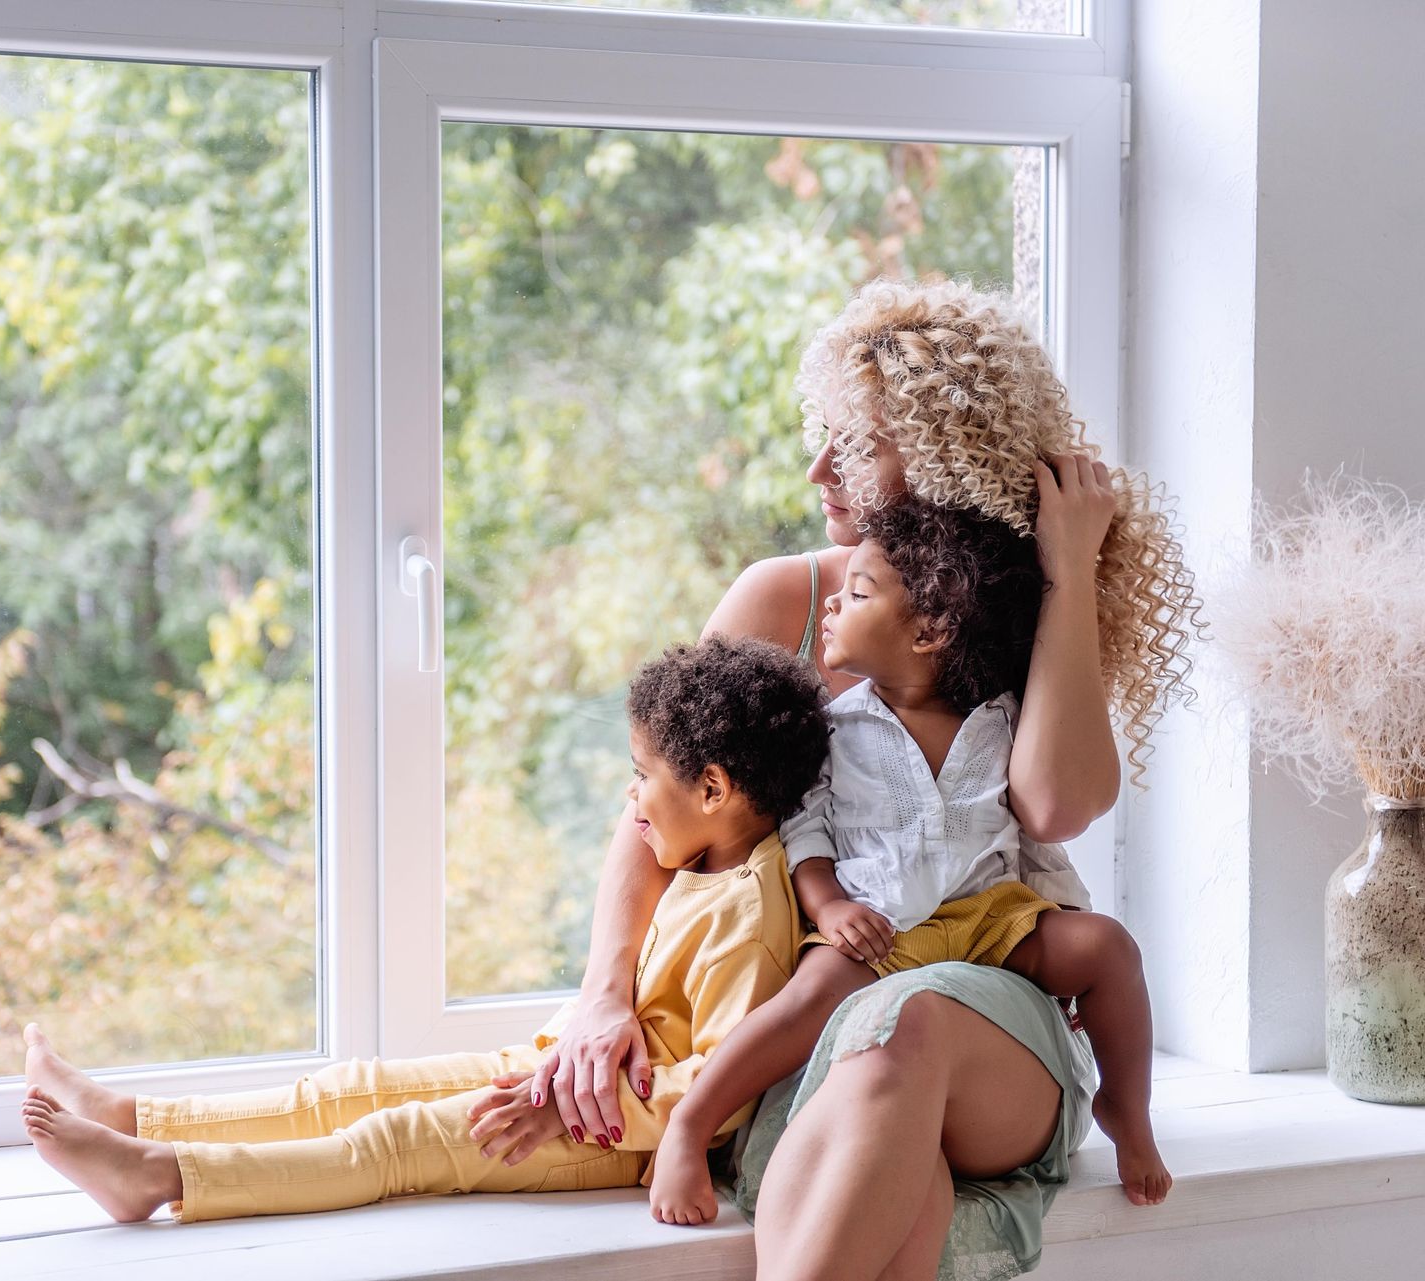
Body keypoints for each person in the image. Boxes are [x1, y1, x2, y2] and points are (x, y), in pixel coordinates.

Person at [469, 278, 1199, 1279]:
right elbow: (652, 815)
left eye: (854, 444)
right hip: (814, 1046)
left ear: (947, 458)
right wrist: (604, 997)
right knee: (895, 1160)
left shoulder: (1009, 623)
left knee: (914, 1020)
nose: (818, 467)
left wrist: (1068, 580)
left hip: (995, 1020)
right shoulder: (787, 600)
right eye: (823, 435)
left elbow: (1056, 805)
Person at [16, 636, 830, 1224]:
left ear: (715, 788)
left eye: (641, 777)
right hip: (547, 1077)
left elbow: (717, 1089)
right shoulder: (694, 860)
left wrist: (560, 1112)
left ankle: (162, 1175)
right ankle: (130, 1116)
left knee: (393, 1142)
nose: (631, 801)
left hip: (595, 1131)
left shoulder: (748, 917)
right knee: (354, 1088)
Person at [646, 497, 1169, 1232]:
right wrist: (828, 906)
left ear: (930, 630)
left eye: (858, 593)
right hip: (879, 922)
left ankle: (1127, 1107)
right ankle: (690, 1127)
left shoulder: (1001, 714)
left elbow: (1053, 795)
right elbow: (806, 829)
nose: (835, 600)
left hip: (992, 919)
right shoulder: (834, 727)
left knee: (1110, 947)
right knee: (800, 1005)